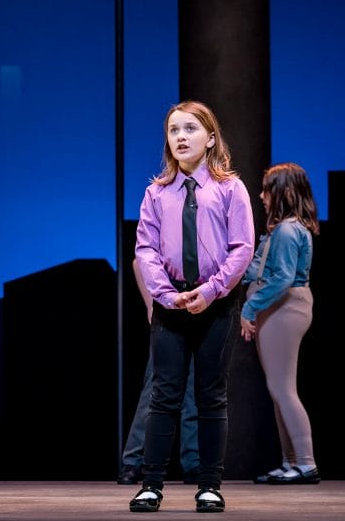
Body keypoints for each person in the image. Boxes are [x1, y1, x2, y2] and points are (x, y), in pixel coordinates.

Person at [130, 101, 254, 514]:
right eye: (173, 130)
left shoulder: (230, 189)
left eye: (190, 129)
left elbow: (242, 248)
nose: (181, 137)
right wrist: (167, 295)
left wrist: (212, 290)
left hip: (216, 303)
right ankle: (151, 485)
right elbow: (146, 249)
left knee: (210, 395)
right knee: (164, 395)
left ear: (211, 138)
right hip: (173, 304)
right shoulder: (156, 192)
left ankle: (209, 485)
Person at [239, 162, 321, 485]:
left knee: (283, 389)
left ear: (283, 192)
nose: (261, 196)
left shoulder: (288, 230)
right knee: (279, 389)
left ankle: (305, 463)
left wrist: (250, 307)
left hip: (283, 308)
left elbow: (283, 278)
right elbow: (264, 271)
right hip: (279, 308)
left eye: (266, 190)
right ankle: (292, 461)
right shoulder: (286, 229)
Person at [118, 259, 201, 486]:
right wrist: (150, 306)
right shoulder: (167, 236)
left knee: (193, 391)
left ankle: (193, 463)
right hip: (168, 315)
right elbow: (138, 263)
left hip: (199, 314)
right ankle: (133, 461)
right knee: (155, 390)